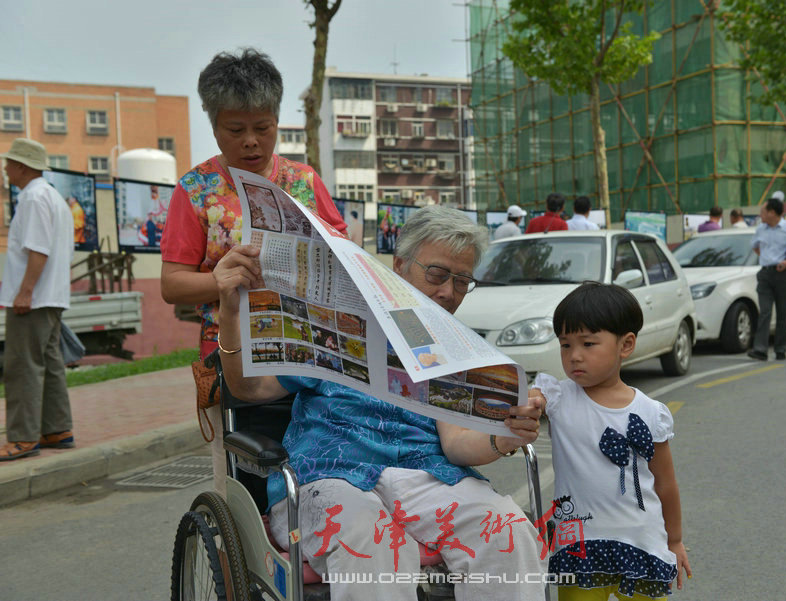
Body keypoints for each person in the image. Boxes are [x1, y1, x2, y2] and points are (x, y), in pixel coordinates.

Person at [213, 206, 546, 601]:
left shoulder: (453, 344)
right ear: (400, 265)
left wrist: (502, 436)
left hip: (423, 476)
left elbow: (457, 443)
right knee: (371, 539)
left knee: (506, 527)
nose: (447, 293)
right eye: (437, 275)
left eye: (462, 282)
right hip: (326, 473)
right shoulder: (332, 322)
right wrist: (230, 309)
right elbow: (248, 390)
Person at [159, 48, 347, 495]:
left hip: (310, 353)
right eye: (235, 129)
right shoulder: (196, 190)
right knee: (257, 482)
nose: (251, 142)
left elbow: (343, 256)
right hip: (237, 358)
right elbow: (172, 284)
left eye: (262, 128)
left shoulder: (303, 183)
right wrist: (219, 280)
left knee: (325, 466)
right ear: (214, 125)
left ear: (277, 122)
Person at [530, 283, 691, 600]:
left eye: (588, 343)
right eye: (565, 345)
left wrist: (674, 540)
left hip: (642, 542)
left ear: (626, 344)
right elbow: (531, 400)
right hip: (579, 545)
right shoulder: (558, 397)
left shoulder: (650, 412)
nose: (574, 355)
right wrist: (528, 403)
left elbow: (666, 483)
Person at [0, 138, 76, 461]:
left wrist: (25, 291)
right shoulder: (54, 197)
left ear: (21, 166)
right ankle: (57, 428)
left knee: (22, 367)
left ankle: (23, 437)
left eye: (9, 163)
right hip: (53, 296)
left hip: (33, 298)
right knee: (50, 364)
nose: (5, 169)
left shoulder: (32, 198)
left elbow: (37, 249)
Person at [747, 192, 786, 361]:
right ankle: (760, 349)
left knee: (783, 313)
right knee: (765, 311)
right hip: (766, 274)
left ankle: (780, 349)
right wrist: (766, 258)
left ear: (772, 213)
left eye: (763, 212)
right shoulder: (760, 229)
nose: (761, 215)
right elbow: (755, 246)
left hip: (784, 273)